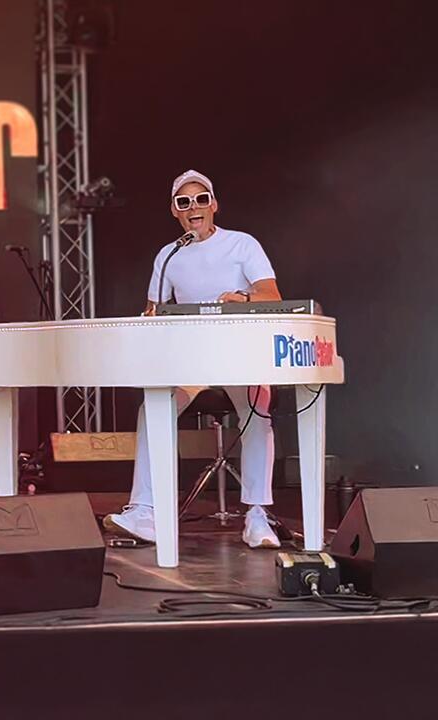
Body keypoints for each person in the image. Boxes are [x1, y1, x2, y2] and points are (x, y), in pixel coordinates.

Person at [104, 169, 283, 549]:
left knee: (257, 406)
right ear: (174, 211)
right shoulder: (169, 255)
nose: (193, 207)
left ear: (214, 204)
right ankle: (145, 511)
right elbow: (153, 310)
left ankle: (256, 514)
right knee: (154, 408)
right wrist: (149, 318)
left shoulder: (241, 244)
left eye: (201, 199)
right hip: (190, 358)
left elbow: (273, 296)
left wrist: (244, 298)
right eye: (183, 202)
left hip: (238, 354)